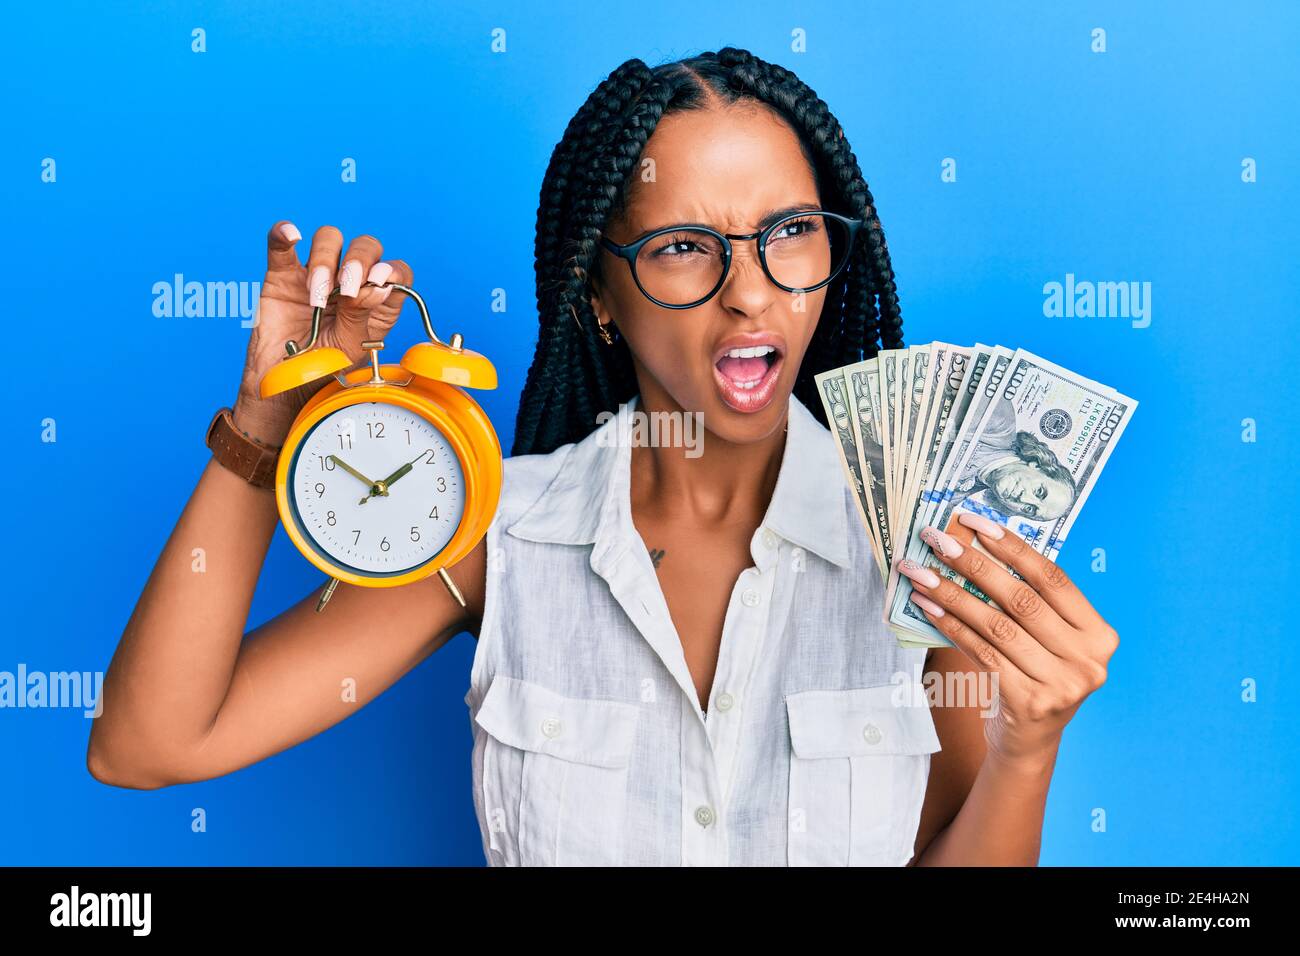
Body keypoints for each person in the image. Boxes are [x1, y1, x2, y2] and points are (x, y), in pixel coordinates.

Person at [87, 47, 1120, 866]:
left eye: (789, 232)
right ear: (598, 296)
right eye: (682, 247)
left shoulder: (928, 549)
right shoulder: (500, 534)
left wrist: (1029, 750)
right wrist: (262, 425)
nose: (749, 290)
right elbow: (150, 742)